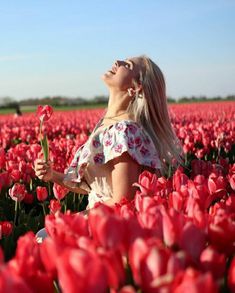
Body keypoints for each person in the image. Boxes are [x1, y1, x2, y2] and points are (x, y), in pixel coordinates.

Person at [34, 55, 183, 241]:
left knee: (43, 239)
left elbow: (122, 201)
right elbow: (97, 190)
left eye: (127, 65)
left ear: (136, 87)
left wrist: (76, 220)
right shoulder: (107, 125)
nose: (117, 62)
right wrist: (52, 175)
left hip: (110, 229)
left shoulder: (125, 131)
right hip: (100, 219)